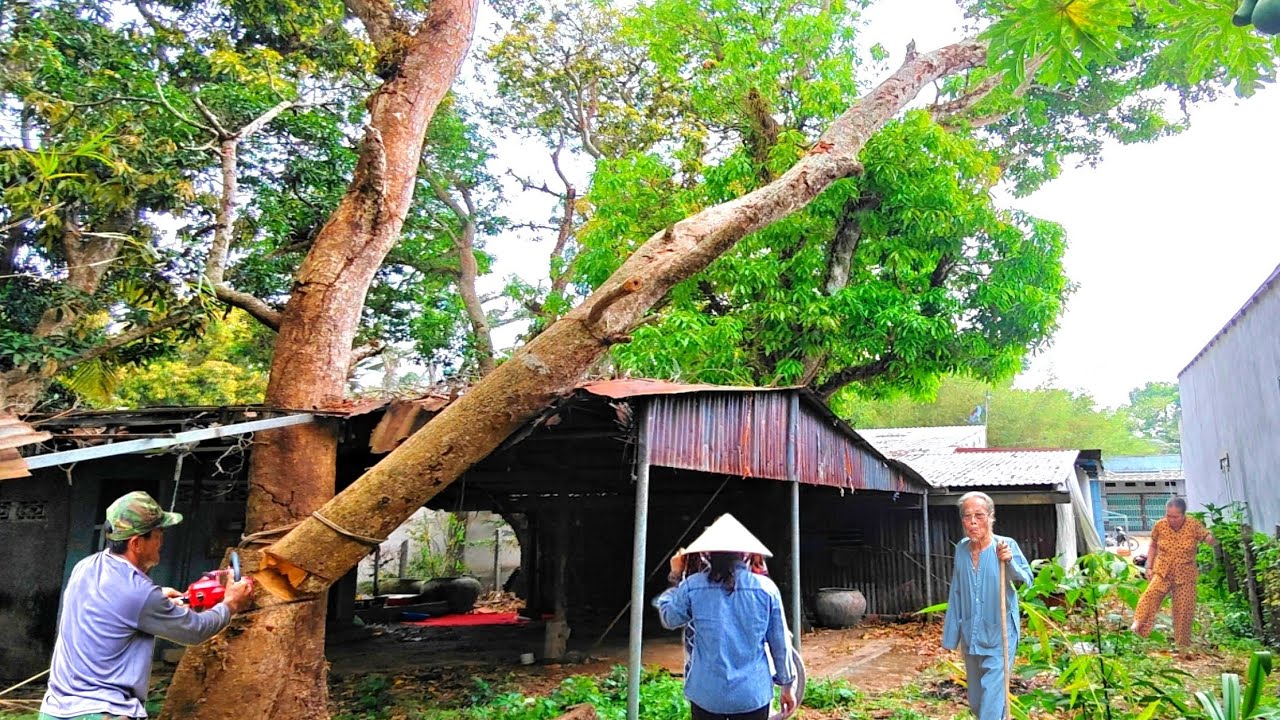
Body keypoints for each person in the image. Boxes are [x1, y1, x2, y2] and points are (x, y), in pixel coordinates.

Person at [40, 491, 254, 720]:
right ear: (136, 543)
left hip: (55, 710)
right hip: (104, 712)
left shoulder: (86, 567)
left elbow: (114, 605)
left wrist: (159, 598)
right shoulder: (140, 594)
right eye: (158, 533)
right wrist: (230, 603)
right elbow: (196, 630)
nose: (161, 540)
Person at [653, 514, 797, 720]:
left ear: (707, 554)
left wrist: (676, 575)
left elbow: (669, 618)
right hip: (752, 695)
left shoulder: (692, 586)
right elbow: (780, 643)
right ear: (744, 553)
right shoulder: (766, 589)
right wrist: (787, 686)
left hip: (707, 695)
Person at [942, 491, 1033, 720]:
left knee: (993, 698)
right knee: (977, 700)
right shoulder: (961, 550)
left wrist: (1009, 562)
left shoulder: (1005, 545)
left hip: (999, 634)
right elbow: (956, 592)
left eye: (979, 515)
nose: (973, 522)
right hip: (971, 634)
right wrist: (950, 636)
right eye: (967, 516)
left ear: (991, 517)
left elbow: (1026, 582)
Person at [1130, 496, 1217, 647]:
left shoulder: (1193, 525)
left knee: (1183, 610)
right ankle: (1137, 627)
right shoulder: (1160, 525)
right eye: (1168, 515)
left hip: (1185, 574)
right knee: (1149, 596)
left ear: (1184, 514)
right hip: (1163, 570)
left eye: (1175, 517)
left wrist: (1212, 538)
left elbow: (1208, 538)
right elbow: (1153, 546)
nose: (1171, 519)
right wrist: (1148, 567)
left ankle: (1181, 647)